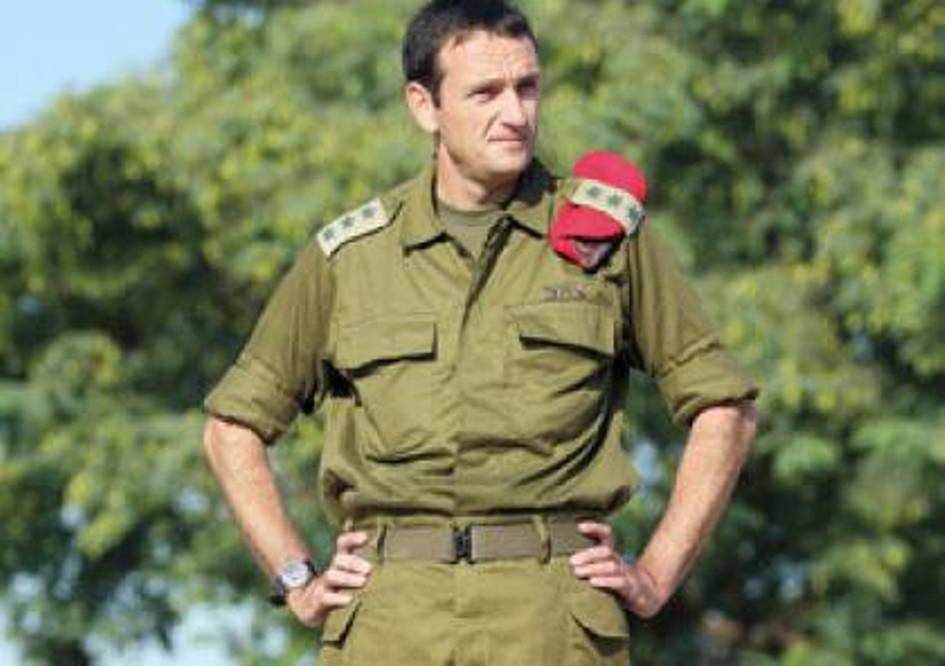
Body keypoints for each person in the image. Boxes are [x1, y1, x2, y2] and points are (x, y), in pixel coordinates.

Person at [202, 0, 758, 663]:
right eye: (486, 92)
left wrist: (658, 573)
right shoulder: (351, 257)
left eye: (528, 87)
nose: (515, 113)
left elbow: (724, 408)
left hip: (551, 620)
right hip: (389, 621)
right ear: (424, 106)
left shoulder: (608, 238)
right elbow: (232, 429)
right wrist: (296, 577)